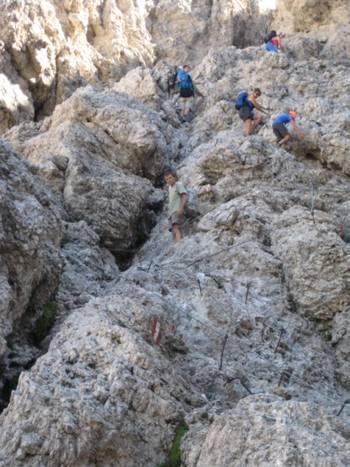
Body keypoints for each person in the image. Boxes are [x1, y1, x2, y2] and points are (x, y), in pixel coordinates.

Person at [164, 169, 188, 242]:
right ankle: (175, 246)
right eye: (167, 179)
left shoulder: (178, 185)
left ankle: (179, 245)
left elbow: (184, 196)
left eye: (170, 178)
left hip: (176, 210)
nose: (169, 180)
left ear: (174, 177)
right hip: (171, 212)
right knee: (173, 231)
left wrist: (181, 208)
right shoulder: (169, 188)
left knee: (176, 227)